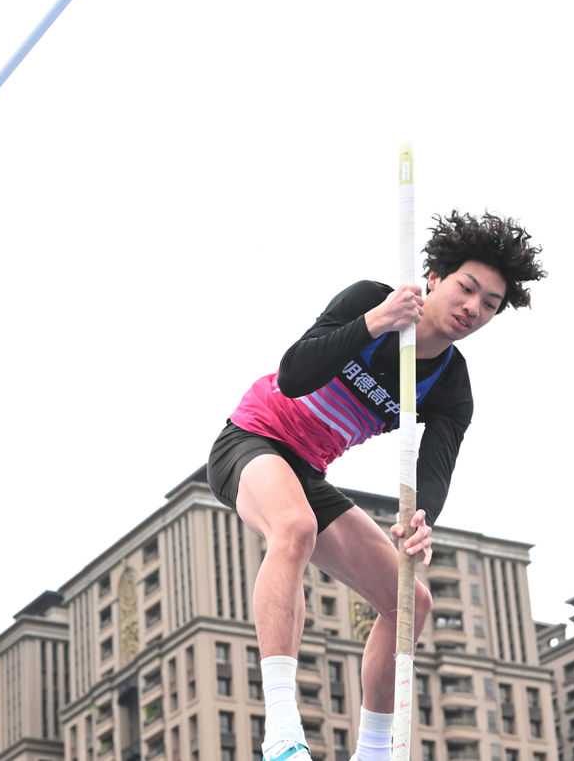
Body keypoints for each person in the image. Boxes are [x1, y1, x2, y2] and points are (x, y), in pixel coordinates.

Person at [207, 211, 546, 761]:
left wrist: (422, 520)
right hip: (251, 439)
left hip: (307, 472)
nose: (473, 308)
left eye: (489, 304)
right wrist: (374, 322)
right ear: (434, 276)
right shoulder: (371, 299)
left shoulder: (451, 386)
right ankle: (282, 731)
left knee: (410, 600)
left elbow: (433, 472)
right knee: (294, 528)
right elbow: (293, 375)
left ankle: (373, 752)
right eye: (466, 288)